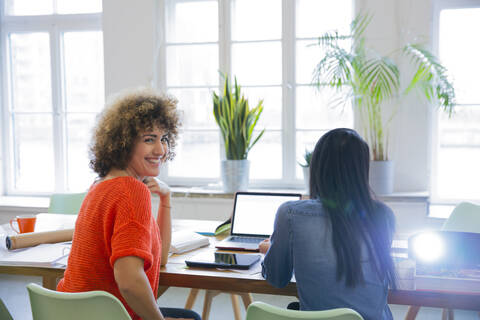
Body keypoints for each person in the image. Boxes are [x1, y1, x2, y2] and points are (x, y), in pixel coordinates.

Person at [57, 89, 201, 320]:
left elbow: (160, 259)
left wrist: (166, 199)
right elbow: (130, 282)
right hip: (106, 315)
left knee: (187, 315)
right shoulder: (131, 191)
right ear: (122, 143)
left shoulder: (100, 186)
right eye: (149, 139)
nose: (161, 150)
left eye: (163, 138)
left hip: (75, 313)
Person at [259, 128, 396, 320]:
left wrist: (270, 250)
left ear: (317, 167)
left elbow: (277, 278)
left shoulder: (290, 213)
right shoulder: (382, 216)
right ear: (362, 170)